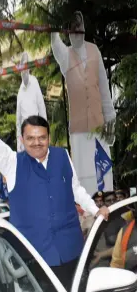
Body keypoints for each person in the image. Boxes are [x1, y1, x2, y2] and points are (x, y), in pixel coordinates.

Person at [0, 73, 109, 292]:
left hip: (73, 252)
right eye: (31, 138)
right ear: (22, 139)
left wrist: (95, 209)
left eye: (42, 137)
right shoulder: (12, 163)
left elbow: (76, 190)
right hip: (34, 261)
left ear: (48, 138)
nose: (37, 143)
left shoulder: (62, 156)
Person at [51, 11, 116, 195]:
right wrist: (54, 30)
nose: (76, 31)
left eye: (78, 26)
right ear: (68, 32)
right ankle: (88, 211)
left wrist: (110, 118)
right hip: (79, 130)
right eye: (72, 28)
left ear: (84, 29)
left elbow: (103, 87)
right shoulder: (65, 55)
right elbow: (56, 44)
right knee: (84, 175)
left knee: (103, 171)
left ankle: (108, 207)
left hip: (99, 126)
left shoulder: (94, 50)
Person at [16, 52, 47, 152]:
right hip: (25, 135)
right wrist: (19, 142)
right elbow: (18, 119)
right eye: (22, 68)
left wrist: (45, 132)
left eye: (26, 67)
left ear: (29, 68)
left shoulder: (34, 82)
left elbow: (41, 107)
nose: (24, 71)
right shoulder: (20, 91)